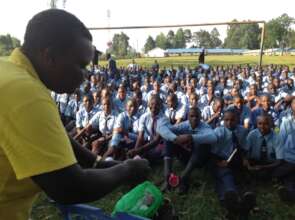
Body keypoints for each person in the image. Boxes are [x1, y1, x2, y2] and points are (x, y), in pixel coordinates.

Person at [0, 9, 150, 220]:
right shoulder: (27, 95)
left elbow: (51, 137)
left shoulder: (11, 73)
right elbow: (69, 187)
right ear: (50, 56)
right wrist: (127, 169)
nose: (86, 75)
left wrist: (97, 162)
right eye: (80, 65)